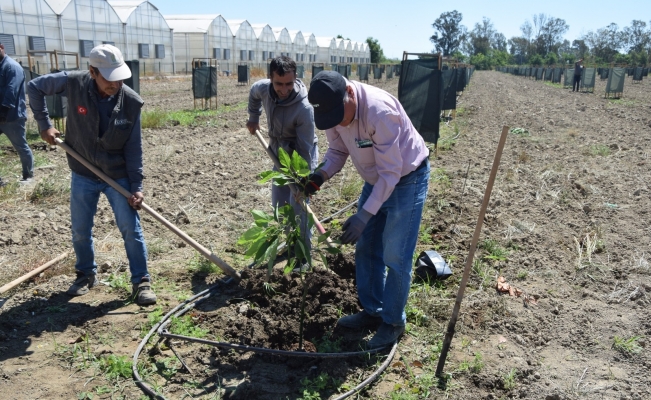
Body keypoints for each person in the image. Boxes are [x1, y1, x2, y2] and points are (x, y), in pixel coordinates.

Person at [305, 71, 430, 349]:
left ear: (349, 92)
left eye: (341, 114)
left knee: (396, 255)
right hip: (377, 179)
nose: (339, 122)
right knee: (366, 246)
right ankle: (373, 310)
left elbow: (391, 173)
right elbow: (337, 151)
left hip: (406, 178)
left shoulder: (379, 112)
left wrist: (364, 215)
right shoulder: (332, 112)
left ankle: (393, 322)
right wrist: (320, 176)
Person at [27, 44, 156, 305]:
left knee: (131, 229)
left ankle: (141, 281)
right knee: (80, 229)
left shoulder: (130, 102)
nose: (116, 83)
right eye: (110, 77)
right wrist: (45, 124)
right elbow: (34, 87)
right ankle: (86, 274)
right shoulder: (73, 83)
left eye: (119, 76)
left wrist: (137, 186)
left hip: (117, 175)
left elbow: (134, 148)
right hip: (83, 171)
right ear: (93, 72)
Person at [246, 55, 318, 266]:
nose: (284, 89)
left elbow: (304, 150)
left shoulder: (304, 109)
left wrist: (301, 184)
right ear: (270, 78)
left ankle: (303, 256)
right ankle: (290, 244)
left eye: (288, 83)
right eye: (279, 84)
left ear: (296, 78)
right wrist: (253, 117)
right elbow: (253, 94)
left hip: (300, 156)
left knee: (299, 206)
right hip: (278, 153)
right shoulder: (263, 88)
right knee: (279, 204)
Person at [0, 42, 34, 184]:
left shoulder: (12, 67)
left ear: (2, 47)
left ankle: (28, 176)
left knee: (21, 147)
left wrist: (3, 111)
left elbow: (11, 91)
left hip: (12, 117)